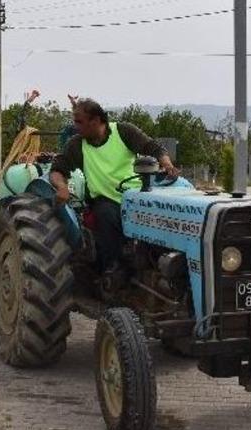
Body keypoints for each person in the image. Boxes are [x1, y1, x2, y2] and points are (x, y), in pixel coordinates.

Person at [50, 98, 178, 288]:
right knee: (106, 214)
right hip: (105, 201)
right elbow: (57, 169)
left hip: (135, 195)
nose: (75, 127)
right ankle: (113, 270)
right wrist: (61, 187)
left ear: (96, 121)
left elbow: (153, 148)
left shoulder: (124, 131)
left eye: (79, 122)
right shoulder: (77, 144)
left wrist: (165, 162)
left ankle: (168, 268)